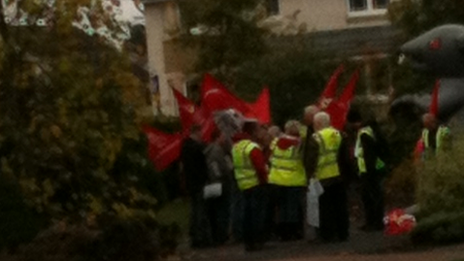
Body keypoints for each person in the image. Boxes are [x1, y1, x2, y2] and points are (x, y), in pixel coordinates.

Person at [306, 112, 349, 242]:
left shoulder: (316, 138)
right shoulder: (339, 134)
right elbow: (345, 157)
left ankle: (328, 235)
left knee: (325, 209)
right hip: (338, 176)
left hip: (323, 178)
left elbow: (310, 160)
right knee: (340, 206)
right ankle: (343, 233)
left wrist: (309, 176)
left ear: (318, 124)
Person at [231, 120, 269, 252]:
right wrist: (264, 180)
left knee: (246, 214)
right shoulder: (252, 147)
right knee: (257, 214)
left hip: (242, 184)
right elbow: (259, 167)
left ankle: (248, 242)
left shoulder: (236, 147)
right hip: (255, 183)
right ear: (252, 131)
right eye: (257, 129)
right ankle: (257, 240)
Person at [268, 120, 307, 241]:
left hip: (276, 179)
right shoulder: (299, 144)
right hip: (294, 179)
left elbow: (269, 158)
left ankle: (282, 233)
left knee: (281, 207)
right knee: (293, 207)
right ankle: (293, 232)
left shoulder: (275, 142)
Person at [354, 114, 389, 231]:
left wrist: (366, 170)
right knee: (376, 196)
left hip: (368, 170)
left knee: (369, 197)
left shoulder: (364, 134)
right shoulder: (375, 132)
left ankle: (372, 223)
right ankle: (376, 222)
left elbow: (367, 154)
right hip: (376, 168)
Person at [180, 125, 211, 248]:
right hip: (199, 181)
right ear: (196, 132)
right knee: (200, 210)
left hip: (190, 182)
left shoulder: (185, 147)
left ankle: (194, 235)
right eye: (200, 133)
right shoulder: (197, 148)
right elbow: (204, 160)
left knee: (194, 209)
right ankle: (200, 237)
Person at [204, 129, 234, 246]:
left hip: (212, 183)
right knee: (222, 210)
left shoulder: (209, 149)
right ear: (218, 137)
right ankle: (221, 235)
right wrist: (222, 175)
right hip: (220, 183)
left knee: (214, 210)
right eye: (223, 136)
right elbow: (220, 167)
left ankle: (216, 235)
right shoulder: (217, 151)